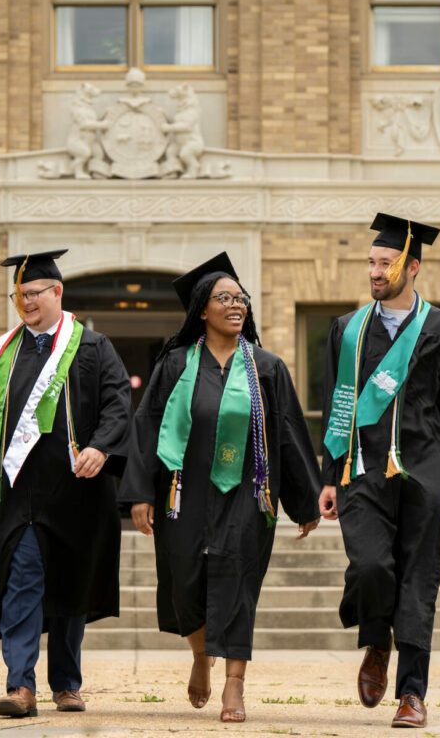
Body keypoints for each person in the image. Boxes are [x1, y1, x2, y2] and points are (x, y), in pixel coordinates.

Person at [119, 253, 322, 724]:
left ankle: (234, 683)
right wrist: (141, 493)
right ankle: (198, 654)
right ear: (201, 310)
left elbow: (290, 431)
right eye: (224, 298)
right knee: (184, 583)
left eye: (240, 298)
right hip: (182, 494)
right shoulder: (174, 365)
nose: (236, 305)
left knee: (237, 584)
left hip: (247, 497)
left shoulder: (266, 368)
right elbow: (146, 427)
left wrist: (305, 498)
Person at [317, 215, 440, 729]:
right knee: (370, 565)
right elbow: (337, 405)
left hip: (424, 467)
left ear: (411, 267)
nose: (375, 271)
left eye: (385, 263)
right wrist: (329, 474)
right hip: (362, 468)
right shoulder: (347, 330)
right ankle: (376, 639)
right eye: (371, 262)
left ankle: (412, 692)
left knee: (418, 576)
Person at [0, 249, 132, 718]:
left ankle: (66, 683)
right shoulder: (0, 354)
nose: (25, 303)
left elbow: (119, 405)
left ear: (57, 291)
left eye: (33, 293)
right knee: (21, 582)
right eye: (18, 295)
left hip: (76, 493)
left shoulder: (93, 347)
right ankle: (20, 685)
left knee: (70, 589)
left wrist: (101, 447)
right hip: (16, 495)